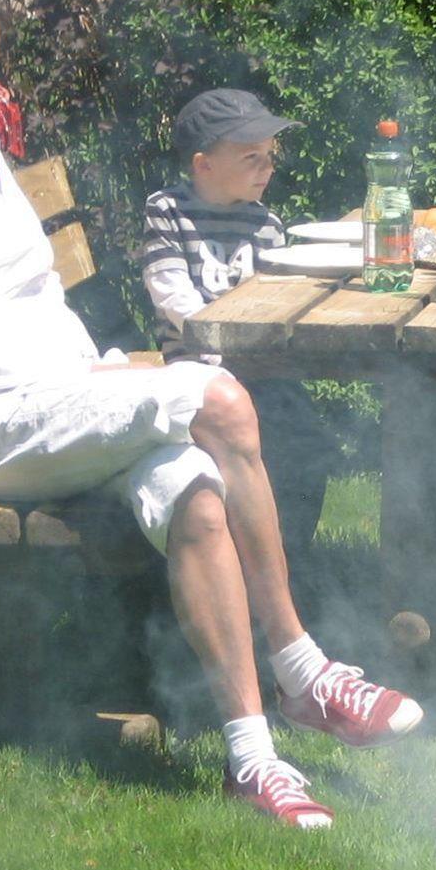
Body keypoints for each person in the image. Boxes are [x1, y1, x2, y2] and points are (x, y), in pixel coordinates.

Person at [0, 0, 420, 829]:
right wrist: (85, 377)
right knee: (217, 398)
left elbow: (33, 298)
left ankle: (252, 758)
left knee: (196, 491)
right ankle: (304, 671)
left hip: (40, 405)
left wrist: (93, 373)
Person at [139, 88, 333, 567]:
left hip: (256, 368)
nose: (267, 168)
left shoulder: (265, 223)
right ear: (203, 164)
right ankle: (242, 563)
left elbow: (275, 302)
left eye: (270, 156)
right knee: (265, 431)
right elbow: (171, 294)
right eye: (251, 158)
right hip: (196, 371)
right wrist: (221, 350)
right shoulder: (167, 211)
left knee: (308, 438)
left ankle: (288, 558)